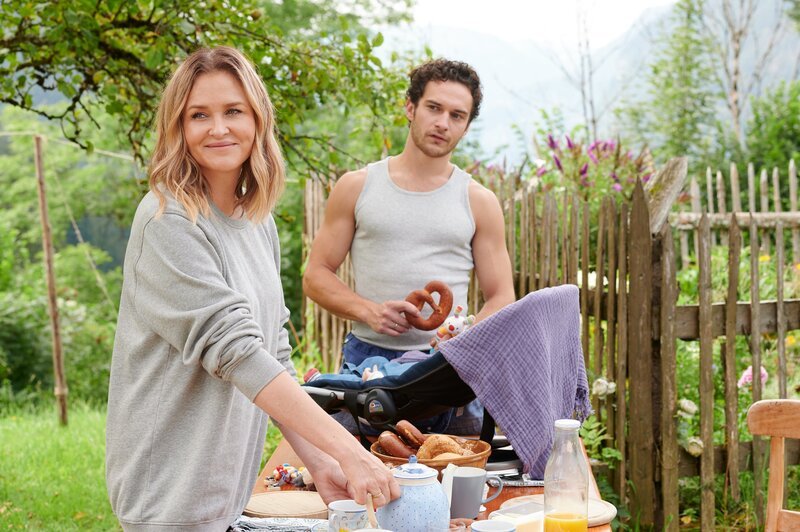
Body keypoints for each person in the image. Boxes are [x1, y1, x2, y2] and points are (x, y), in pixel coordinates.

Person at [105, 46, 399, 531]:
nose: (218, 128)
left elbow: (273, 353)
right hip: (169, 497)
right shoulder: (168, 222)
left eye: (233, 112)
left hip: (223, 493)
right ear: (179, 128)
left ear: (258, 121)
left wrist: (321, 461)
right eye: (199, 115)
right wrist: (351, 453)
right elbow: (237, 352)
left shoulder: (255, 221)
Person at [303, 58, 516, 435]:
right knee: (365, 483)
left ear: (466, 126)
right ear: (410, 107)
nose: (442, 123)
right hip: (367, 365)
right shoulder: (357, 186)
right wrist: (370, 312)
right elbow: (316, 276)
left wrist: (460, 343)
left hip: (449, 369)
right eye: (434, 108)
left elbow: (502, 296)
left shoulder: (479, 201)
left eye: (457, 115)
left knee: (456, 479)